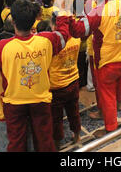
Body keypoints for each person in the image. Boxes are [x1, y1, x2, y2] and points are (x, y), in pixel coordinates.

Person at [0, 0, 71, 152]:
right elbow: (63, 35)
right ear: (34, 20)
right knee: (45, 140)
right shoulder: (47, 40)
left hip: (14, 103)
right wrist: (62, 12)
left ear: (13, 21)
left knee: (16, 143)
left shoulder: (1, 48)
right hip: (41, 99)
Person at [68, 0, 121, 138]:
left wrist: (66, 15)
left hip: (107, 61)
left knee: (107, 96)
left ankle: (111, 128)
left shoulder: (99, 10)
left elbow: (79, 31)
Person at [40, 15, 81, 150]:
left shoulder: (53, 43)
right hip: (73, 80)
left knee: (56, 119)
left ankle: (57, 144)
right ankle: (77, 136)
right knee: (74, 111)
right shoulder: (76, 38)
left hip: (57, 86)